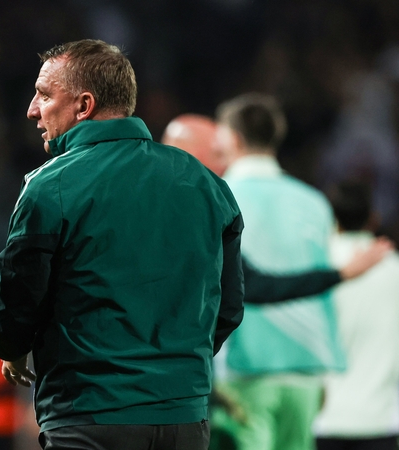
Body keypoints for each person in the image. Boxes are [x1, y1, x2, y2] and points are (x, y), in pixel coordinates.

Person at [0, 39, 245, 450]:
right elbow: (229, 307)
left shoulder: (50, 186)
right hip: (185, 420)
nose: (32, 109)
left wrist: (12, 348)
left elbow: (17, 296)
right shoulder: (209, 185)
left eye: (45, 95)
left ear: (83, 106)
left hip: (89, 418)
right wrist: (173, 374)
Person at [214, 93, 345, 450]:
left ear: (231, 139)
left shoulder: (221, 196)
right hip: (307, 364)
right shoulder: (314, 202)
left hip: (245, 366)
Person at [162, 114, 393, 304]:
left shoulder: (144, 202)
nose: (226, 163)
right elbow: (253, 287)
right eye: (218, 154)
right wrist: (341, 274)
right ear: (188, 155)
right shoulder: (216, 205)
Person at [313, 182, 399, 450]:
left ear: (332, 220)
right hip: (381, 418)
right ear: (373, 220)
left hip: (324, 418)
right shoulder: (393, 268)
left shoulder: (316, 266)